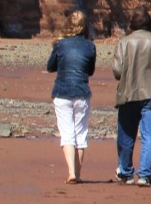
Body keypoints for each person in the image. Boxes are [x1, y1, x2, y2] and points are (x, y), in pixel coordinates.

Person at [112, 10, 151, 187]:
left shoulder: (123, 42)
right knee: (148, 136)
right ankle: (144, 175)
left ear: (132, 23)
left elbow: (117, 71)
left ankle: (126, 172)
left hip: (128, 93)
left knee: (125, 136)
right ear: (149, 23)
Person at [46, 11, 96, 184]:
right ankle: (78, 174)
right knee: (80, 135)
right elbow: (90, 71)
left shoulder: (60, 44)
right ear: (84, 26)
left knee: (67, 134)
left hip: (62, 91)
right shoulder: (90, 46)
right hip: (82, 91)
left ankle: (72, 173)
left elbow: (50, 66)